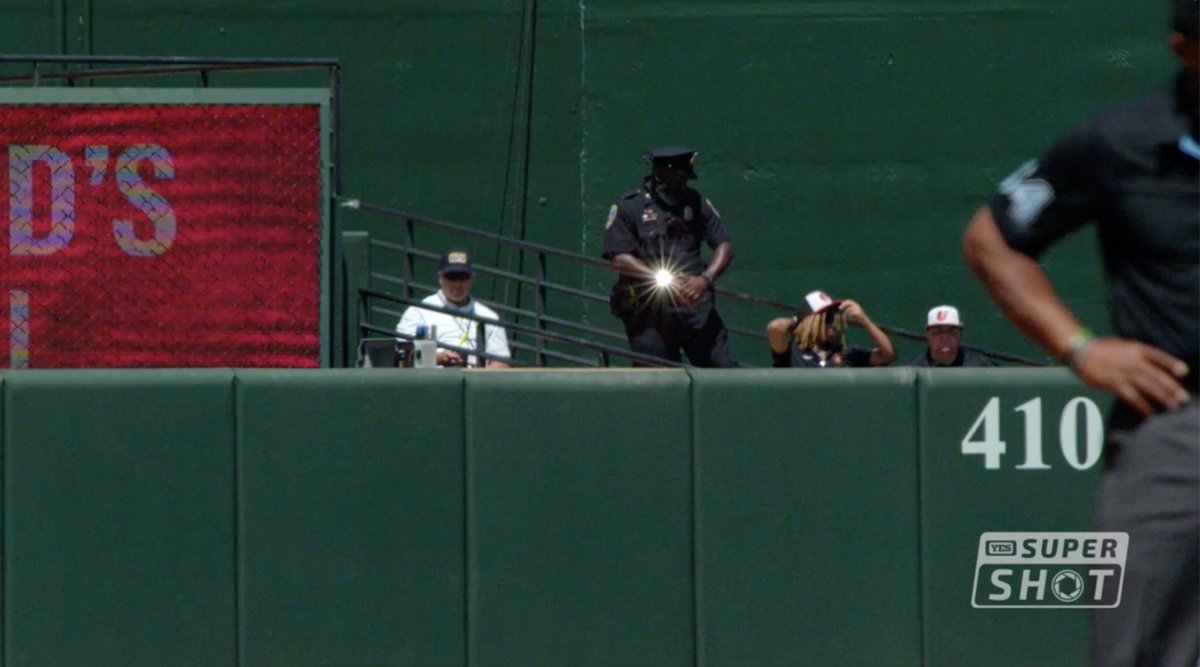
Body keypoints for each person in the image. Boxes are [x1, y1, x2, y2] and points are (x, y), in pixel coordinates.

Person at [962, 2, 1198, 665]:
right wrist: (1082, 347)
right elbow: (991, 241)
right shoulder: (1123, 141)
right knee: (1136, 649)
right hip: (1178, 421)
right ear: (1186, 49)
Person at [601, 147, 736, 367]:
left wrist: (706, 279)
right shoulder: (630, 206)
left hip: (694, 305)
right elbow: (619, 257)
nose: (685, 184)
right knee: (658, 382)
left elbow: (724, 244)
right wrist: (662, 280)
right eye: (681, 177)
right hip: (650, 312)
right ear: (663, 173)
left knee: (721, 370)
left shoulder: (695, 201)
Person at [395, 250, 512, 368]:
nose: (457, 284)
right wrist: (439, 358)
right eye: (451, 277)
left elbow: (501, 363)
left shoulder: (488, 317)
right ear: (440, 278)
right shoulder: (418, 312)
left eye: (462, 277)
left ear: (471, 279)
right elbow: (403, 357)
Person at [766, 290, 896, 368]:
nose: (834, 322)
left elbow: (887, 355)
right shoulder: (791, 352)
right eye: (828, 318)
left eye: (836, 316)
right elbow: (775, 328)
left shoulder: (844, 353)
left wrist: (864, 320)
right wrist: (801, 322)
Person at [909, 305, 997, 367]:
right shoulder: (914, 370)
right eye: (937, 332)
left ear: (960, 333)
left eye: (951, 331)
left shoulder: (980, 368)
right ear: (927, 334)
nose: (945, 337)